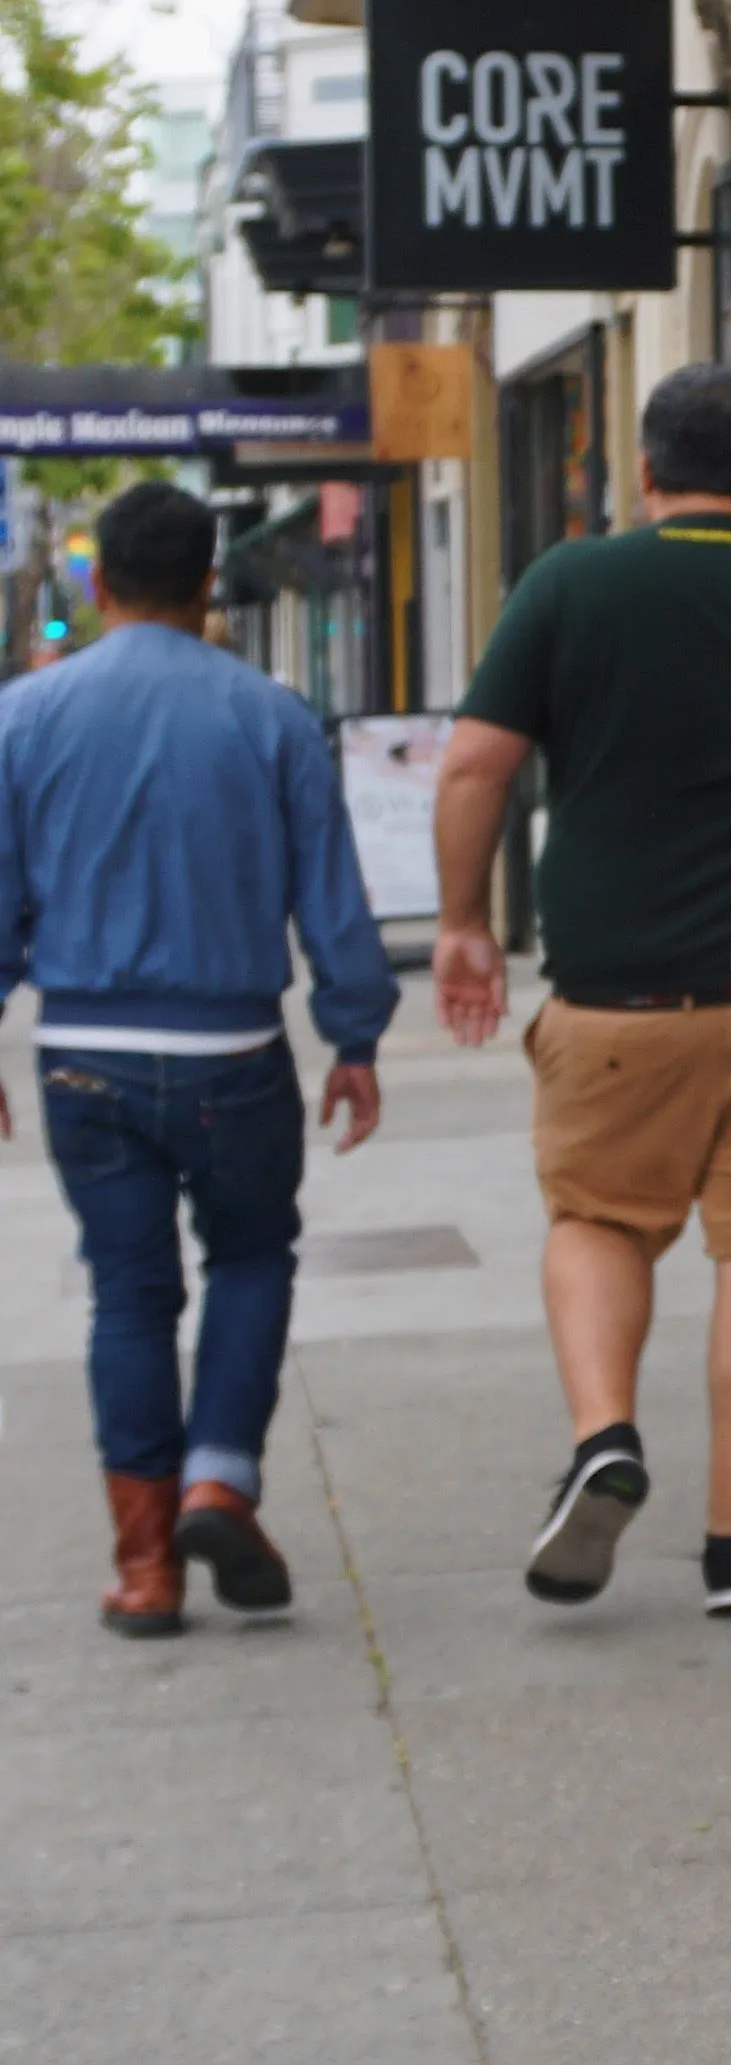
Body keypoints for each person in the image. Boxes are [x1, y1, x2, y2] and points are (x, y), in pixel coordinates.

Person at [434, 361, 731, 1616]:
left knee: (599, 1218)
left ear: (643, 474)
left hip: (610, 997)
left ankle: (606, 1433)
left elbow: (475, 766)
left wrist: (460, 925)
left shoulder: (571, 581)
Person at [0, 476, 394, 1637]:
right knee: (254, 1258)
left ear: (100, 583)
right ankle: (220, 1475)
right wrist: (355, 1035)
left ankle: (145, 1566)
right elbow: (333, 901)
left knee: (127, 1293)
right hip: (234, 1049)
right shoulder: (270, 716)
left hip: (83, 1051)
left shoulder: (24, 716)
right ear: (211, 584)